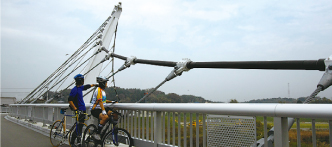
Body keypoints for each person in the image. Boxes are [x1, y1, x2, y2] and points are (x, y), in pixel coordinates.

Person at [68, 74, 97, 146]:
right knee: (79, 126)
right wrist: (75, 108)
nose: (83, 81)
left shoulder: (80, 88)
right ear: (80, 81)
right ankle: (73, 142)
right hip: (79, 110)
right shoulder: (74, 90)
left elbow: (86, 87)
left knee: (80, 126)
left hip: (83, 110)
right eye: (83, 80)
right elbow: (70, 100)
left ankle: (78, 142)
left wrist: (94, 85)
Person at [90, 76, 117, 140]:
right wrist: (103, 111)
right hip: (95, 109)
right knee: (105, 117)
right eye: (106, 83)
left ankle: (113, 129)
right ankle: (97, 133)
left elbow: (103, 100)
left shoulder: (103, 91)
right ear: (103, 83)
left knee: (114, 114)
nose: (106, 84)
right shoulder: (98, 90)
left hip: (102, 107)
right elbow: (100, 101)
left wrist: (111, 101)